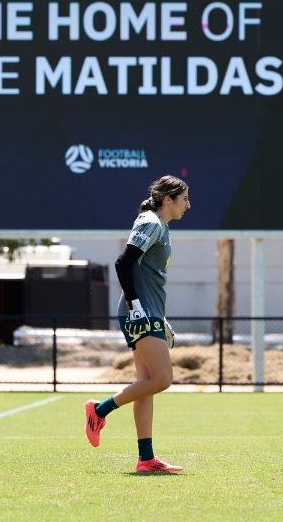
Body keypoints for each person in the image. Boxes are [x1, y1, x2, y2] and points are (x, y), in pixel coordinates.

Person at [84, 174, 190, 474]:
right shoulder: (151, 223)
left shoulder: (162, 227)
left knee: (146, 385)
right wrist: (136, 307)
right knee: (162, 379)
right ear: (168, 199)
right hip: (140, 313)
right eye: (184, 198)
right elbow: (123, 263)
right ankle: (99, 410)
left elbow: (146, 275)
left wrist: (159, 316)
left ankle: (146, 458)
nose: (188, 204)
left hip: (149, 312)